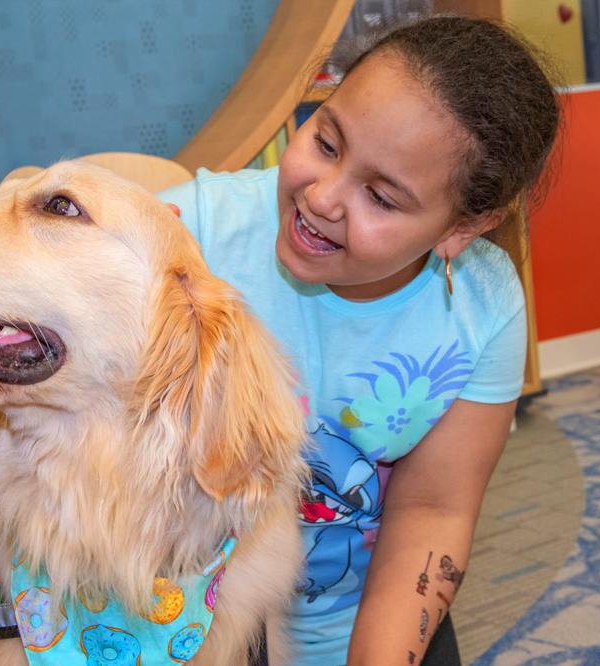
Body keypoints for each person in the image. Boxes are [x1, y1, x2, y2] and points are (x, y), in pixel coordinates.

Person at [159, 15, 561, 666]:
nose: (321, 197)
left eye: (380, 196)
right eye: (325, 141)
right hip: (189, 621)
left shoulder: (483, 308)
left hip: (368, 615)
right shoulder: (189, 232)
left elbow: (432, 510)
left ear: (464, 225)